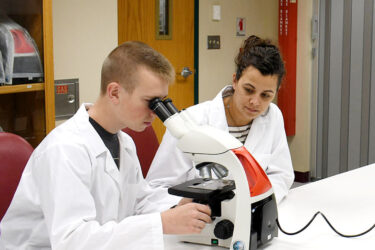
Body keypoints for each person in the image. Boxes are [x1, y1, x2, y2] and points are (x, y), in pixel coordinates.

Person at [0, 41, 211, 250]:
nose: (156, 112)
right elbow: (72, 241)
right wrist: (162, 223)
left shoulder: (124, 142)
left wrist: (177, 207)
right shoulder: (64, 149)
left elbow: (139, 201)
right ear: (114, 93)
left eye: (162, 102)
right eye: (150, 102)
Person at [146, 35, 295, 204]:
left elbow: (281, 174)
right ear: (235, 81)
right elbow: (156, 188)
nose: (255, 102)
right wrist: (183, 205)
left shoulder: (272, 116)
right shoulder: (191, 121)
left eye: (266, 95)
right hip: (198, 220)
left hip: (253, 214)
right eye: (248, 90)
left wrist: (257, 201)